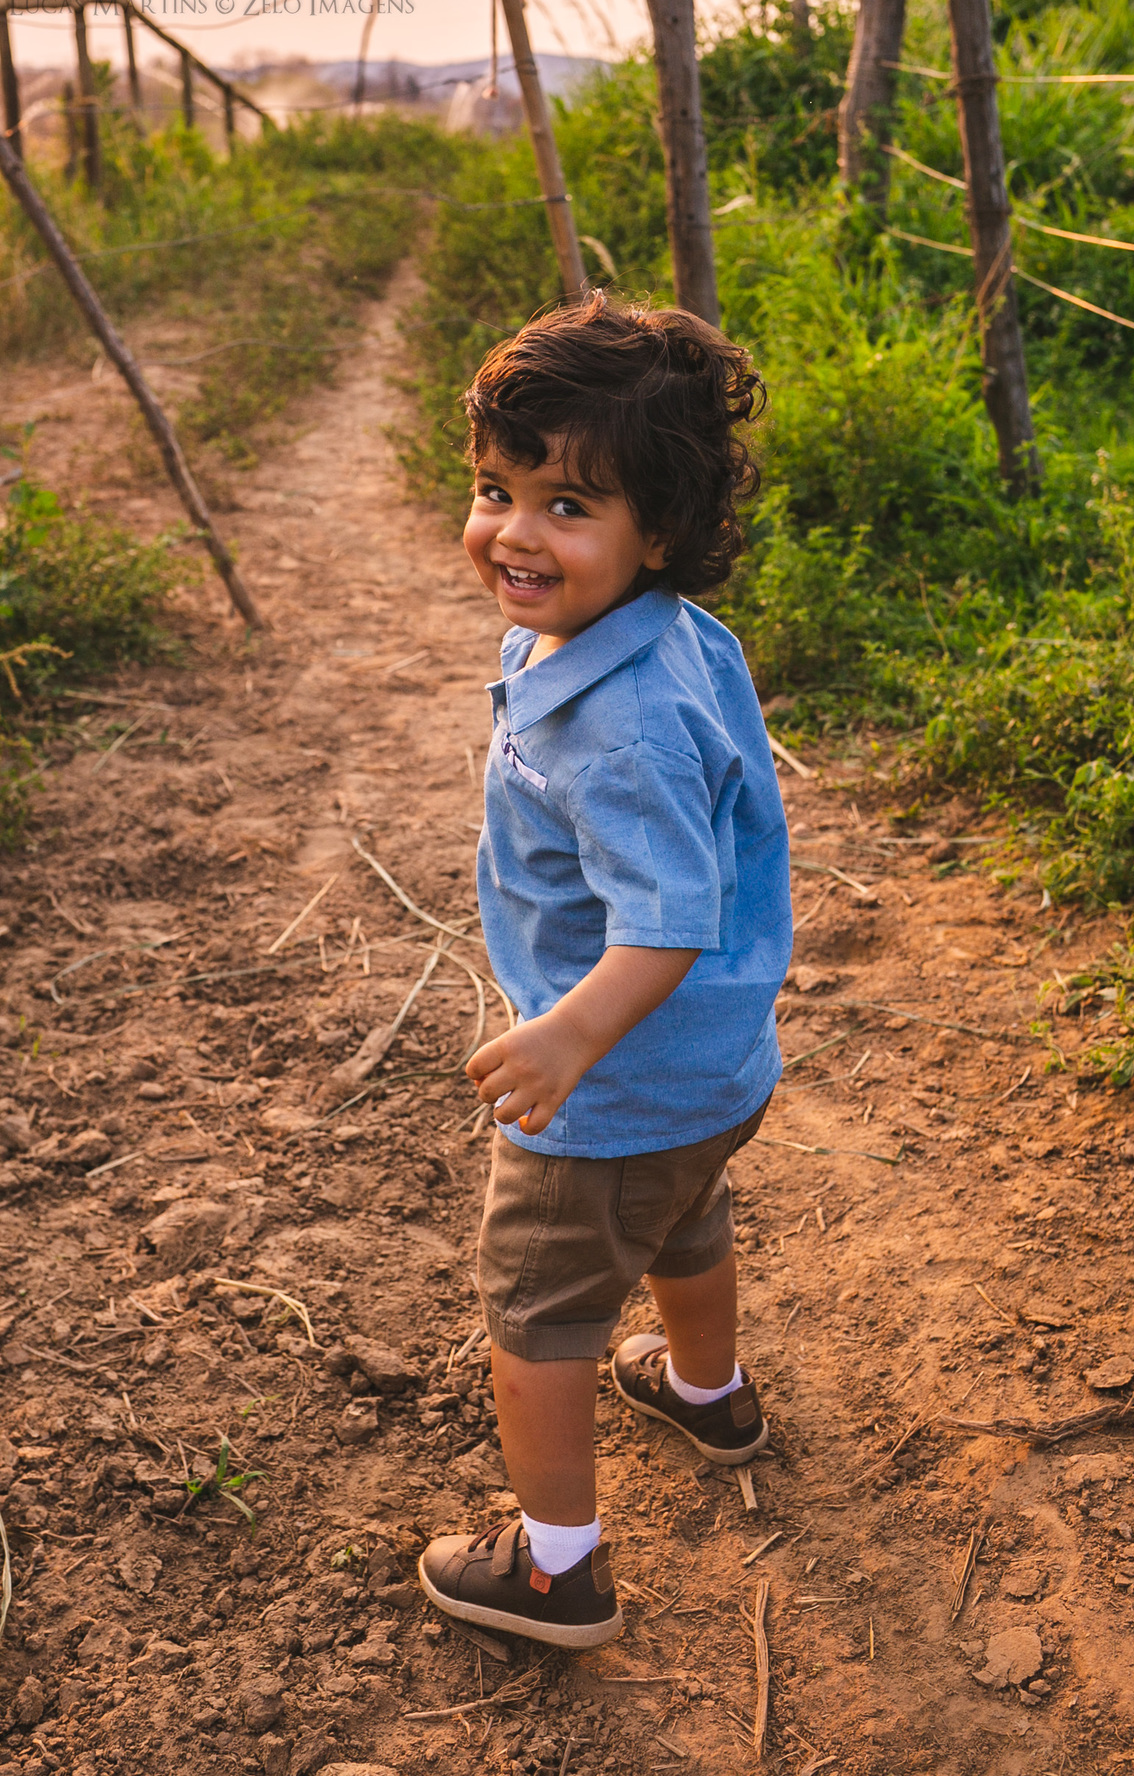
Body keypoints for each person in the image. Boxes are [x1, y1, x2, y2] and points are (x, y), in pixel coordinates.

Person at [418, 294, 792, 1648]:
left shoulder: (620, 725)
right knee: (684, 1217)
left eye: (567, 505)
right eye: (496, 490)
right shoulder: (653, 635)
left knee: (540, 1308)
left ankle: (556, 1572)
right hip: (708, 1067)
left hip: (618, 1077)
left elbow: (669, 914)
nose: (515, 532)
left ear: (662, 531)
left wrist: (569, 1038)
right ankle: (708, 1394)